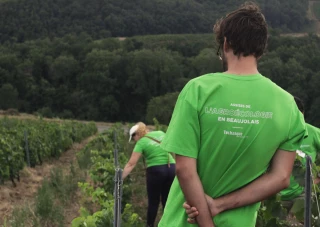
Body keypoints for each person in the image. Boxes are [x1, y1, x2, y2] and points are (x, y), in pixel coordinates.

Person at [157, 2, 307, 227]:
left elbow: (185, 170)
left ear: (225, 43)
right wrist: (220, 205)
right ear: (261, 48)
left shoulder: (197, 90)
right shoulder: (287, 105)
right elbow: (281, 177)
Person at [122, 122, 176, 227]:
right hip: (171, 168)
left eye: (133, 139)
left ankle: (150, 225)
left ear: (136, 135)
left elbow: (131, 164)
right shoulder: (160, 133)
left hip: (156, 171)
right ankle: (169, 224)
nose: (134, 141)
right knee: (167, 200)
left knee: (153, 201)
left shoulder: (141, 142)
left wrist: (120, 178)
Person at [280, 96, 320, 213]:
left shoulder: (312, 132)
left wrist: (317, 178)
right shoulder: (277, 133)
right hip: (275, 194)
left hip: (302, 193)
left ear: (302, 114)